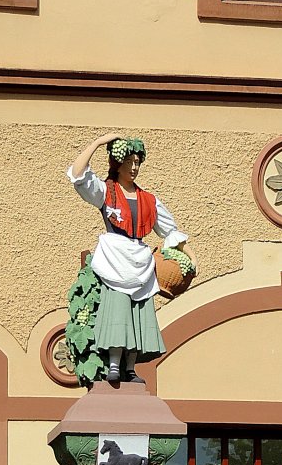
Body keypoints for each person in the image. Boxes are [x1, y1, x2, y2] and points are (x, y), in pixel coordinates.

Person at [68, 132, 196, 383]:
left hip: (140, 259)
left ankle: (129, 368)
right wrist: (97, 143)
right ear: (118, 164)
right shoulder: (106, 191)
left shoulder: (149, 200)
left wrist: (190, 256)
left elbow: (170, 231)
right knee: (117, 310)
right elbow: (78, 174)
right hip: (114, 257)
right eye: (129, 162)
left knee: (139, 313)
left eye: (138, 162)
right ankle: (113, 364)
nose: (134, 167)